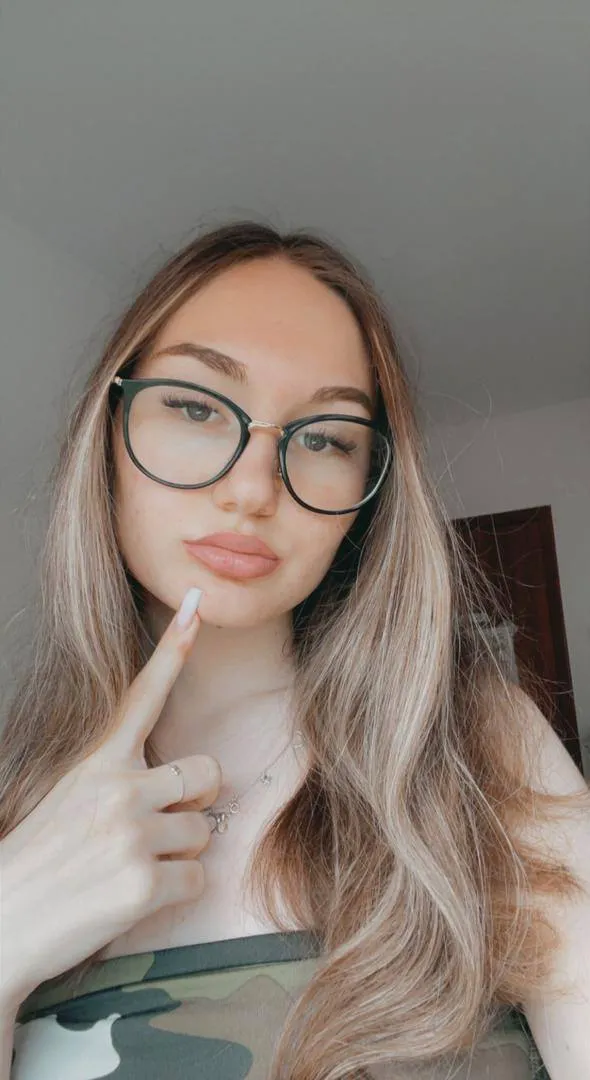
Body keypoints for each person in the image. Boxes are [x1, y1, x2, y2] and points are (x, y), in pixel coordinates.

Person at [1, 220, 589, 1079]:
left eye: (323, 438)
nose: (251, 488)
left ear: (365, 495)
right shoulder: (14, 807)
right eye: (197, 407)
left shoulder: (474, 752)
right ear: (108, 431)